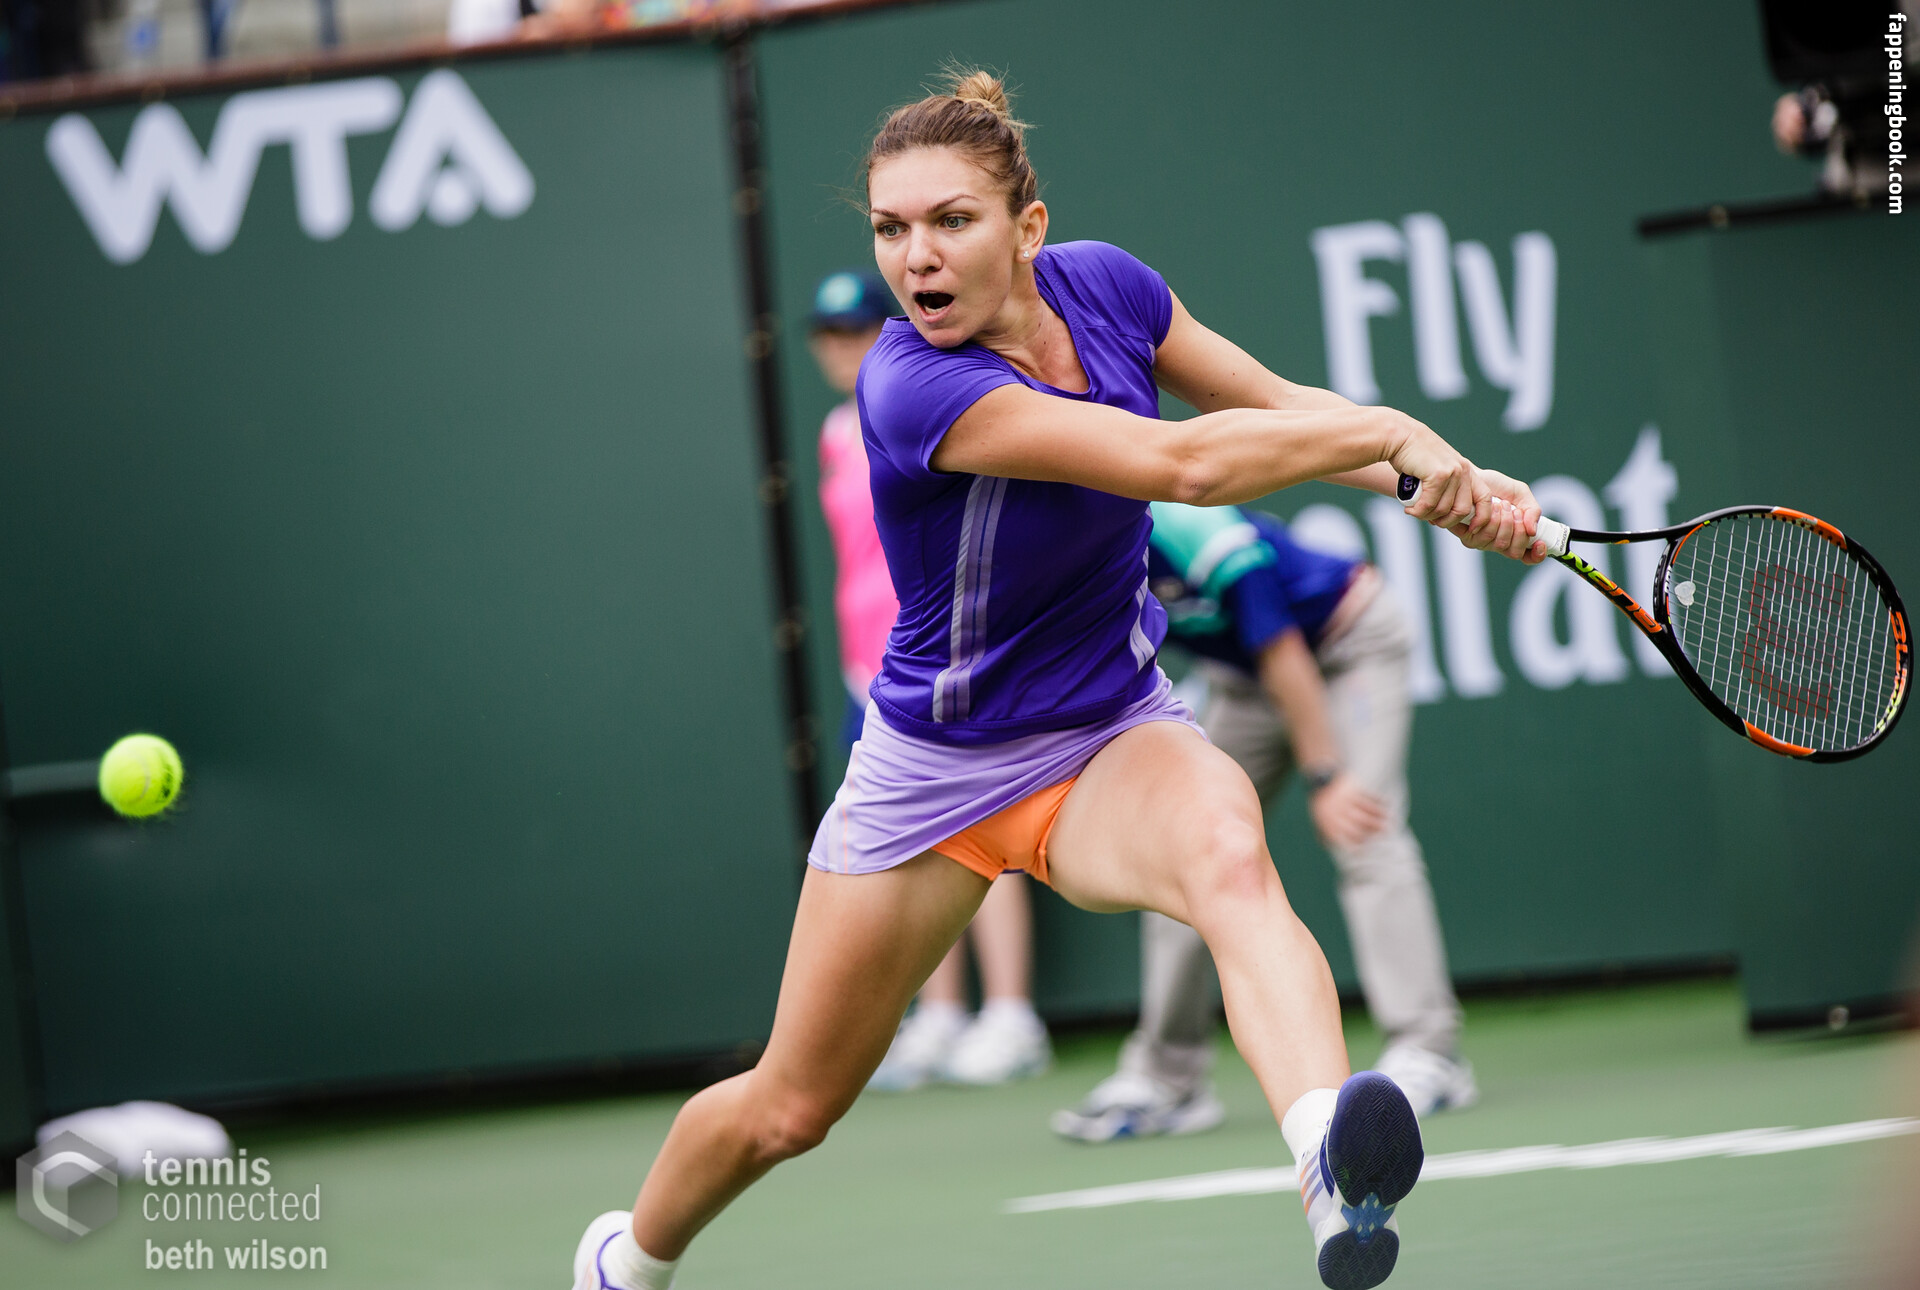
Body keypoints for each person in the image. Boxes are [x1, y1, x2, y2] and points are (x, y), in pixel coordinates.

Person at [572, 69, 1545, 1290]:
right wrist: (1392, 434)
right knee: (790, 1108)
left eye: (951, 221)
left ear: (1027, 227)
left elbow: (1280, 409)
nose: (917, 257)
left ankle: (1326, 1165)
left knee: (1230, 858)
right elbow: (1183, 467)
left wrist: (1451, 481)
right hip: (934, 773)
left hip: (1106, 732)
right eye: (891, 229)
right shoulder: (912, 385)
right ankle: (626, 1262)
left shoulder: (1114, 290)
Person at [1052, 501, 1475, 1145]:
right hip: (1245, 684)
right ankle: (1168, 1079)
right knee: (1180, 853)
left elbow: (1284, 653)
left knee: (1364, 831)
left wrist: (1326, 776)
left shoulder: (1199, 532)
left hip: (1348, 647)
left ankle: (1430, 1051)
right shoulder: (1072, 554)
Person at [810, 268, 1051, 1089]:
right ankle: (942, 1015)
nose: (841, 348)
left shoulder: (928, 406)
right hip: (868, 669)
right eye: (828, 335)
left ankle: (1011, 1016)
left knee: (986, 827)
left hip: (945, 656)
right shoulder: (835, 434)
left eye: (856, 331)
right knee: (912, 844)